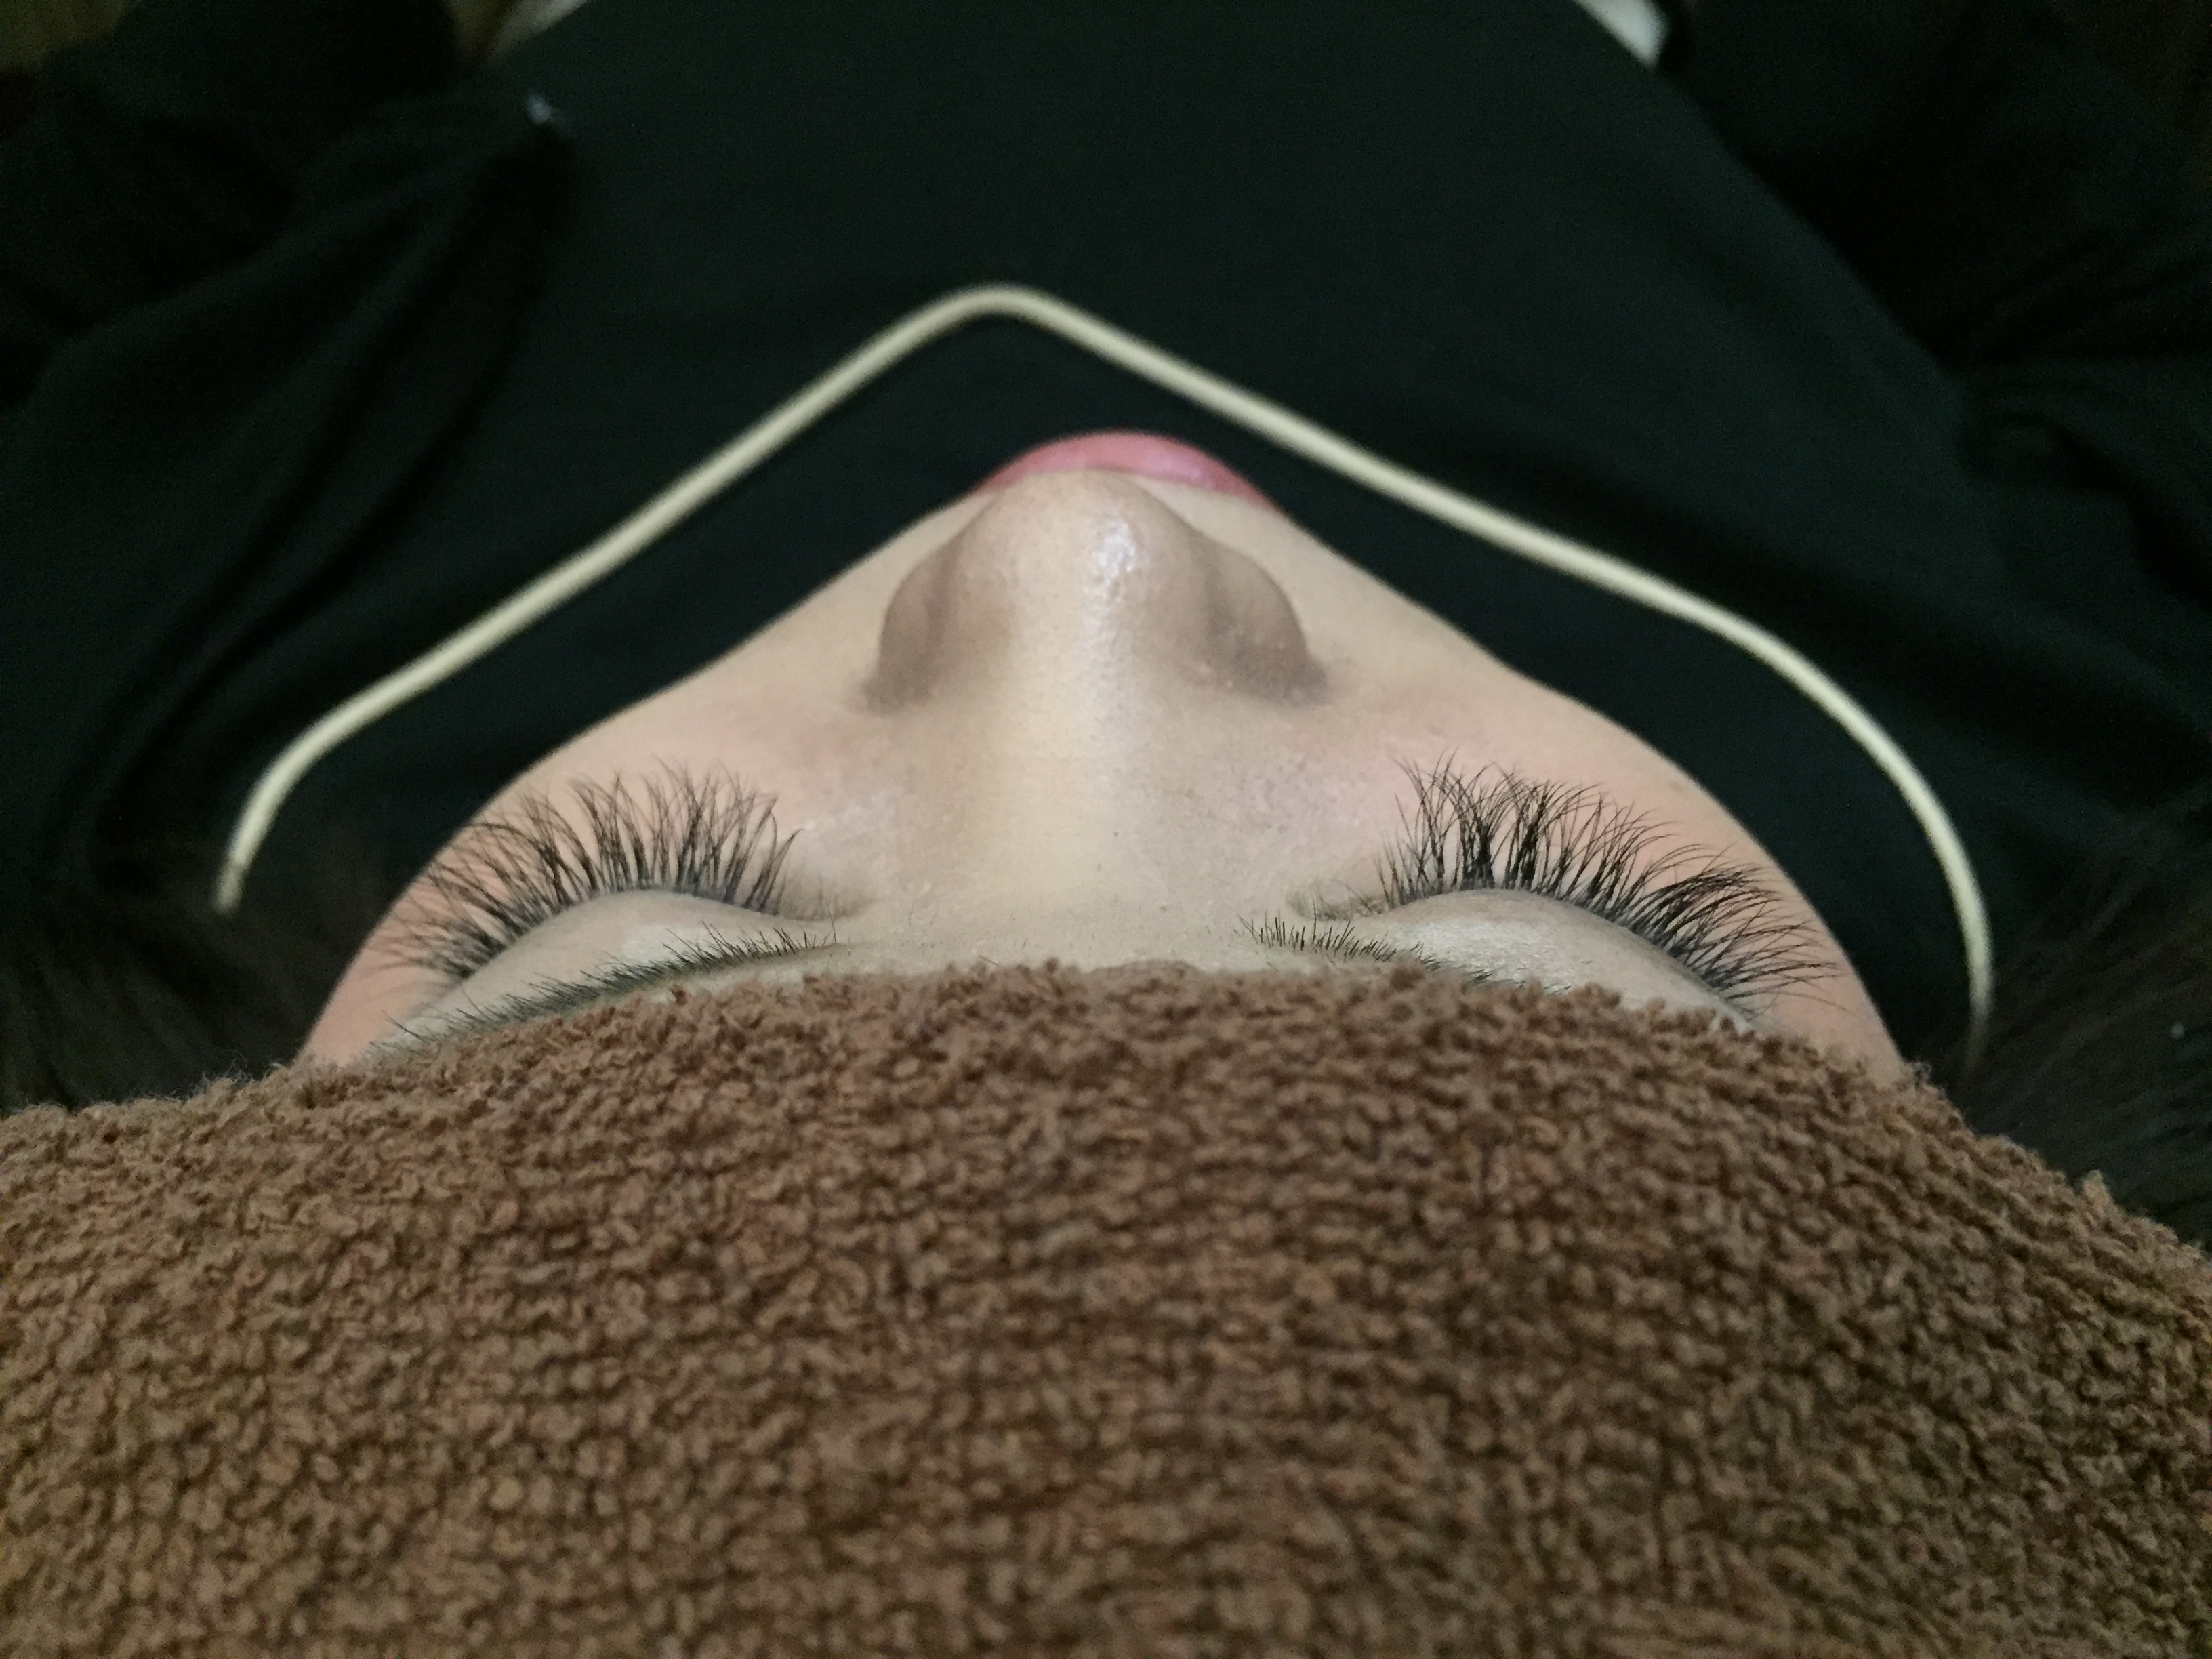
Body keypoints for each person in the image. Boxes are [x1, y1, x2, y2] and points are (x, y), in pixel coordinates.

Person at [3, 3, 2212, 1650]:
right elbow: (2124, 312)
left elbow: (97, 259)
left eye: (645, 932)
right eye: (1511, 918)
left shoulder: (135, 770)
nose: (1075, 545)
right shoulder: (2052, 792)